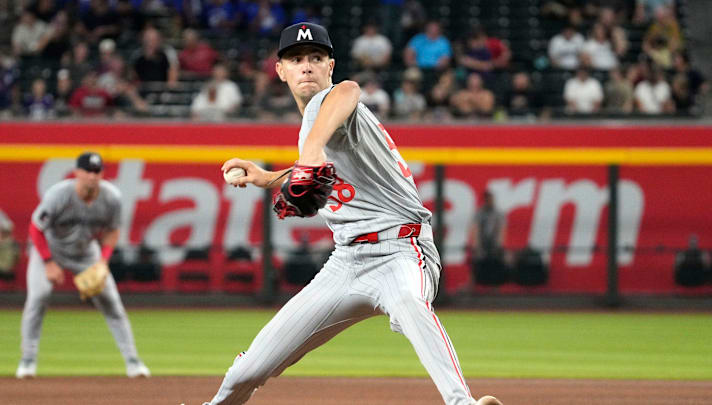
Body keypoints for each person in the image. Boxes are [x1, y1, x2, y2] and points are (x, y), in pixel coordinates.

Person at [211, 22, 503, 405]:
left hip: (402, 249)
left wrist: (310, 151)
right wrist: (269, 178)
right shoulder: (313, 129)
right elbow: (319, 162)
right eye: (295, 59)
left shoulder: (332, 101)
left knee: (410, 304)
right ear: (280, 70)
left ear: (330, 66)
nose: (307, 66)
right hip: (346, 262)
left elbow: (349, 92)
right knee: (248, 370)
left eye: (316, 58)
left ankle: (462, 402)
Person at [16, 152, 150, 379]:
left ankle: (133, 361)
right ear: (77, 172)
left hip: (87, 253)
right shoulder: (59, 194)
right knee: (39, 296)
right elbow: (36, 228)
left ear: (102, 174)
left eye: (97, 171)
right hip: (50, 250)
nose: (92, 175)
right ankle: (27, 360)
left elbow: (112, 230)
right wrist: (48, 262)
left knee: (112, 303)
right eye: (87, 170)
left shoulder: (112, 197)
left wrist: (103, 261)